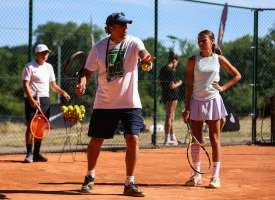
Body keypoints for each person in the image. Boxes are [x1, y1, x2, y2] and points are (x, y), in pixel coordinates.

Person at [76, 12, 153, 197]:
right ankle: (90, 176)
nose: (126, 28)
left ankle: (129, 183)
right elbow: (87, 70)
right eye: (121, 25)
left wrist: (146, 60)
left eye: (127, 24)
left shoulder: (134, 42)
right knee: (96, 140)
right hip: (105, 102)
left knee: (133, 138)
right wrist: (83, 81)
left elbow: (144, 55)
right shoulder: (99, 48)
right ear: (111, 27)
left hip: (130, 102)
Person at [182, 30, 241, 188]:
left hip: (213, 101)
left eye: (204, 40)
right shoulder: (192, 60)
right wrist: (186, 108)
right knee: (196, 140)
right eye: (199, 41)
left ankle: (215, 177)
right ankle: (196, 175)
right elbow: (188, 86)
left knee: (215, 139)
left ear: (212, 41)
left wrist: (222, 88)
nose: (201, 43)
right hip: (195, 101)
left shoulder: (218, 59)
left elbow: (237, 75)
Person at [22, 44, 71, 163]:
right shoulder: (29, 67)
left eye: (47, 53)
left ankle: (37, 154)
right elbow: (25, 84)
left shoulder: (49, 67)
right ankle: (29, 154)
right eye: (43, 53)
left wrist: (63, 92)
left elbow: (53, 86)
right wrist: (31, 100)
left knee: (40, 127)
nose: (45, 55)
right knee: (30, 126)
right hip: (32, 98)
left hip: (45, 100)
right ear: (37, 54)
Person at [159, 52, 182, 145]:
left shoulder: (163, 69)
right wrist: (179, 83)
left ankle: (172, 136)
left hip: (165, 94)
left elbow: (159, 82)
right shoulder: (172, 70)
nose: (176, 64)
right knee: (170, 116)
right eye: (177, 62)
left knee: (170, 116)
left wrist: (165, 87)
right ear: (174, 60)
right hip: (172, 95)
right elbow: (173, 85)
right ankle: (167, 139)